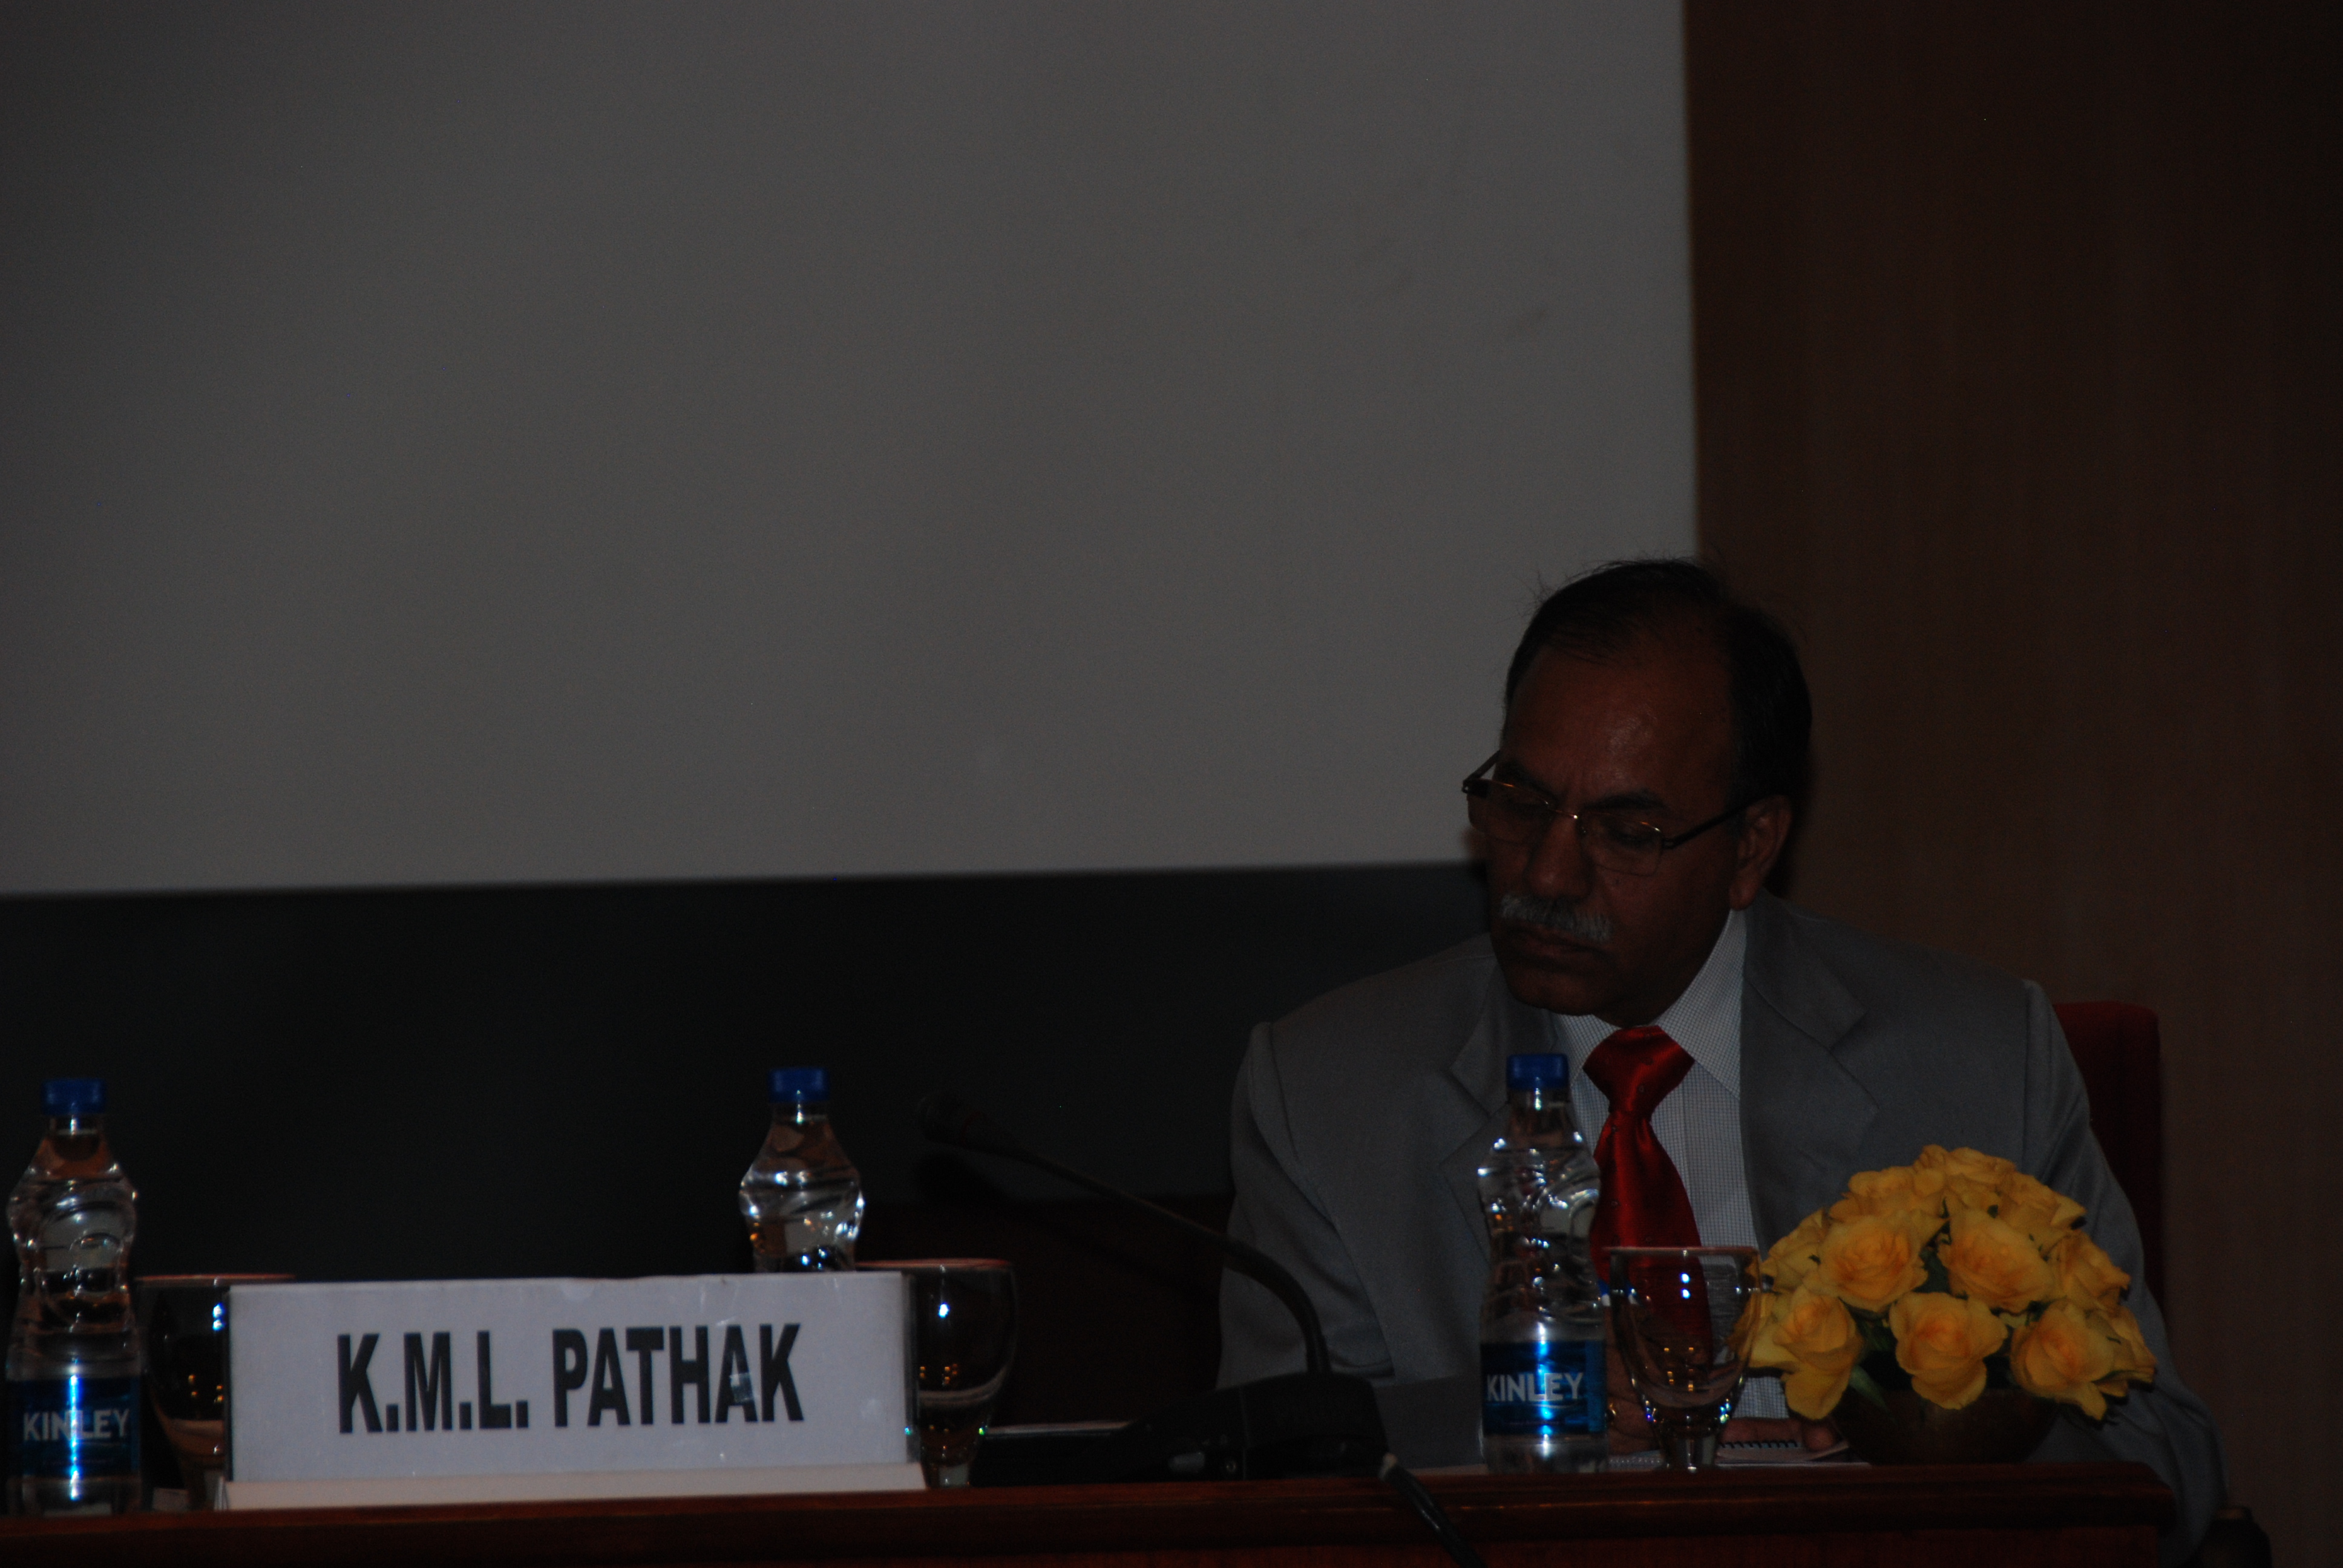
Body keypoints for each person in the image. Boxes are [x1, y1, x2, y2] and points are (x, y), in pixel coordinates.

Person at [1217, 559, 2223, 1565]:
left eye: (1627, 832)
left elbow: (2163, 1468)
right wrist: (1536, 1403)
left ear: (1751, 848)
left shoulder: (1977, 1060)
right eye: (1522, 802)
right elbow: (1267, 1477)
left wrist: (1939, 1426)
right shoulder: (1326, 1093)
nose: (1548, 872)